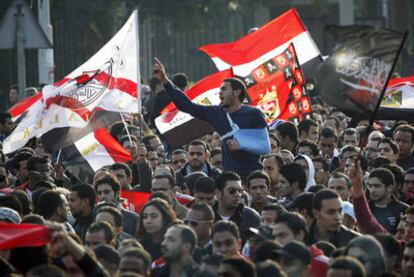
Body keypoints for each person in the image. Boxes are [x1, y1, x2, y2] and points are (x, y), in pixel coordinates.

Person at [154, 58, 270, 179]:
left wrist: (241, 144)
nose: (220, 93)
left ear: (237, 92)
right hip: (230, 178)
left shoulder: (254, 114)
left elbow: (265, 147)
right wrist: (166, 82)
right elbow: (188, 107)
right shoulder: (216, 113)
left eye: (224, 89)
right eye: (220, 90)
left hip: (254, 178)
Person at [212, 171, 261, 243]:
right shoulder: (206, 216)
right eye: (232, 191)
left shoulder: (251, 217)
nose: (237, 194)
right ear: (218, 193)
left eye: (240, 191)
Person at [367, 168, 408, 233]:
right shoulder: (364, 208)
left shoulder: (403, 210)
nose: (372, 190)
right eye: (370, 186)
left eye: (377, 186)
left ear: (390, 187)